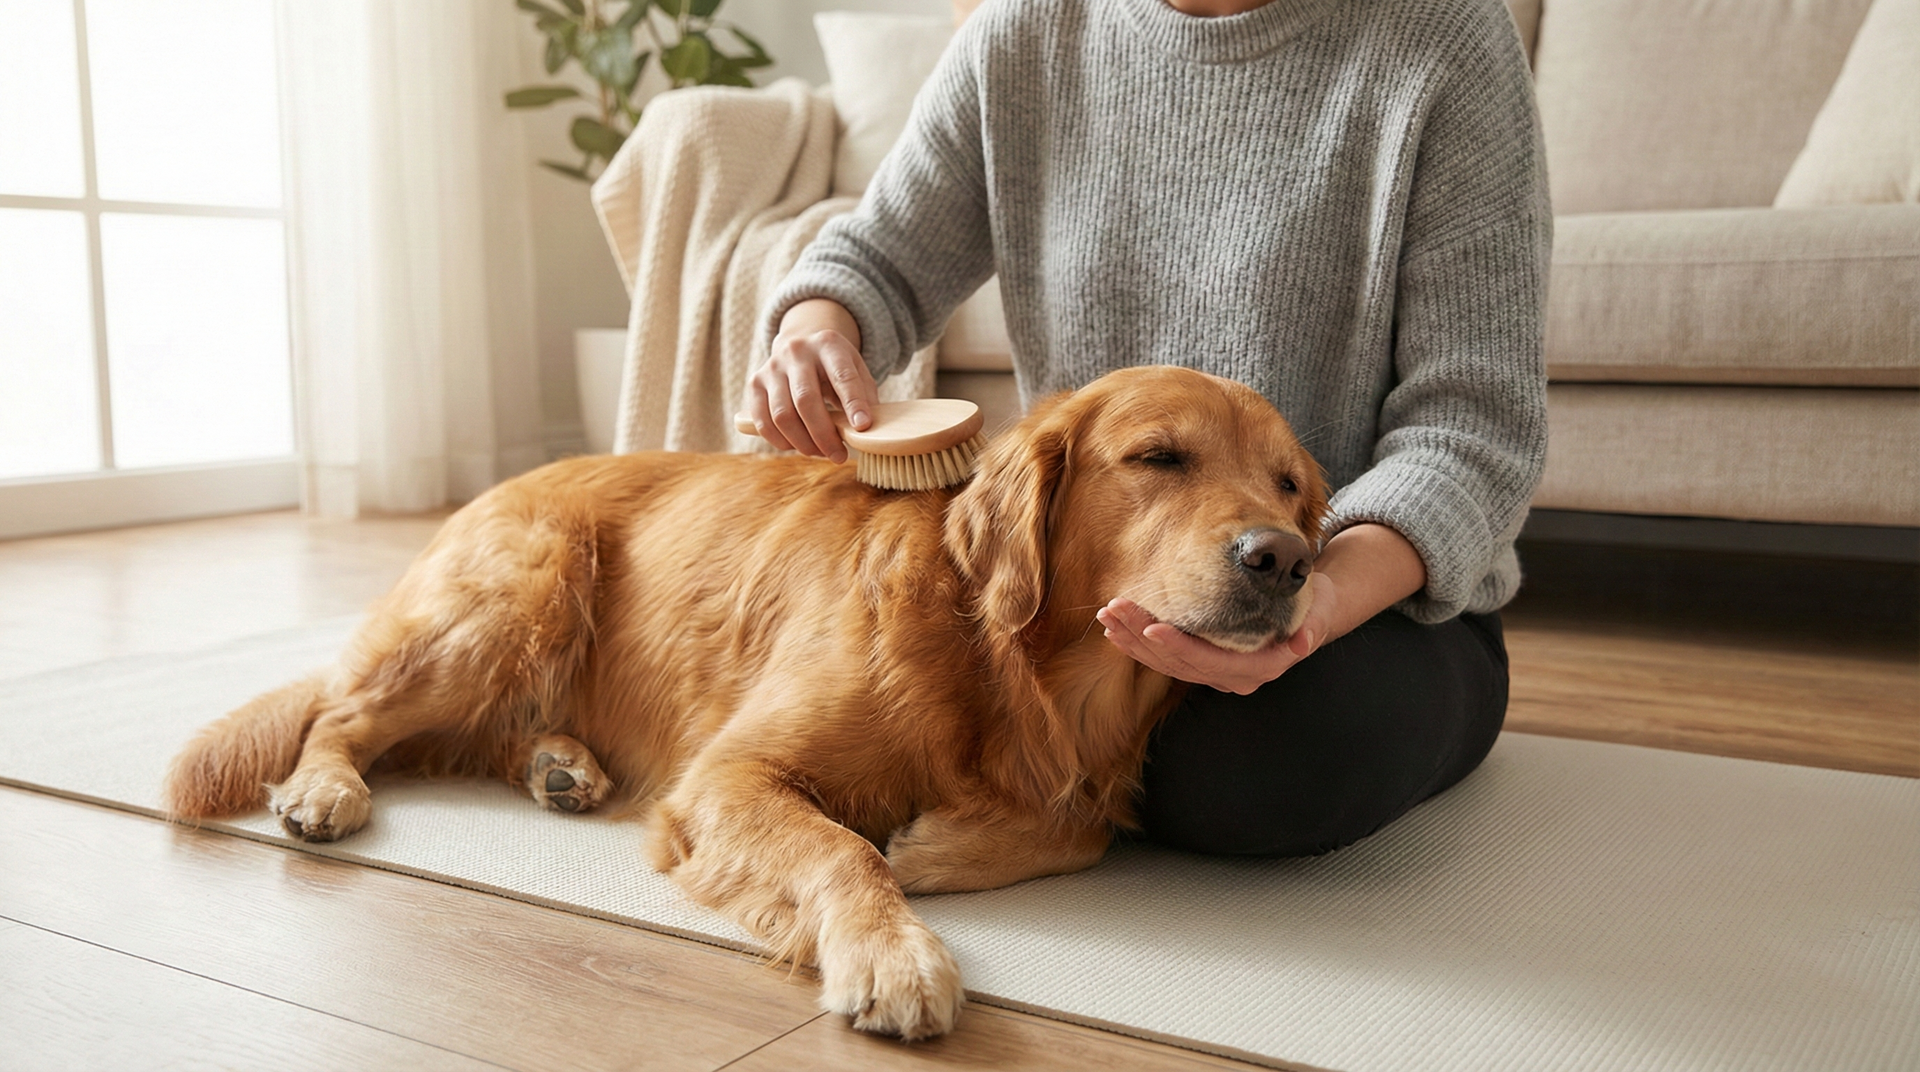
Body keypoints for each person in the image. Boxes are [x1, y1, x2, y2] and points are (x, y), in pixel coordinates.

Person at [742, 0, 1549, 856]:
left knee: (1263, 772)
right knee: (906, 671)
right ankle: (1035, 803)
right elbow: (876, 260)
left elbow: (1472, 431)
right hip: (1087, 596)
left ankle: (1049, 806)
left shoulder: (1445, 34)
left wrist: (1319, 603)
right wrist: (815, 331)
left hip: (1365, 588)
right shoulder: (1020, 33)